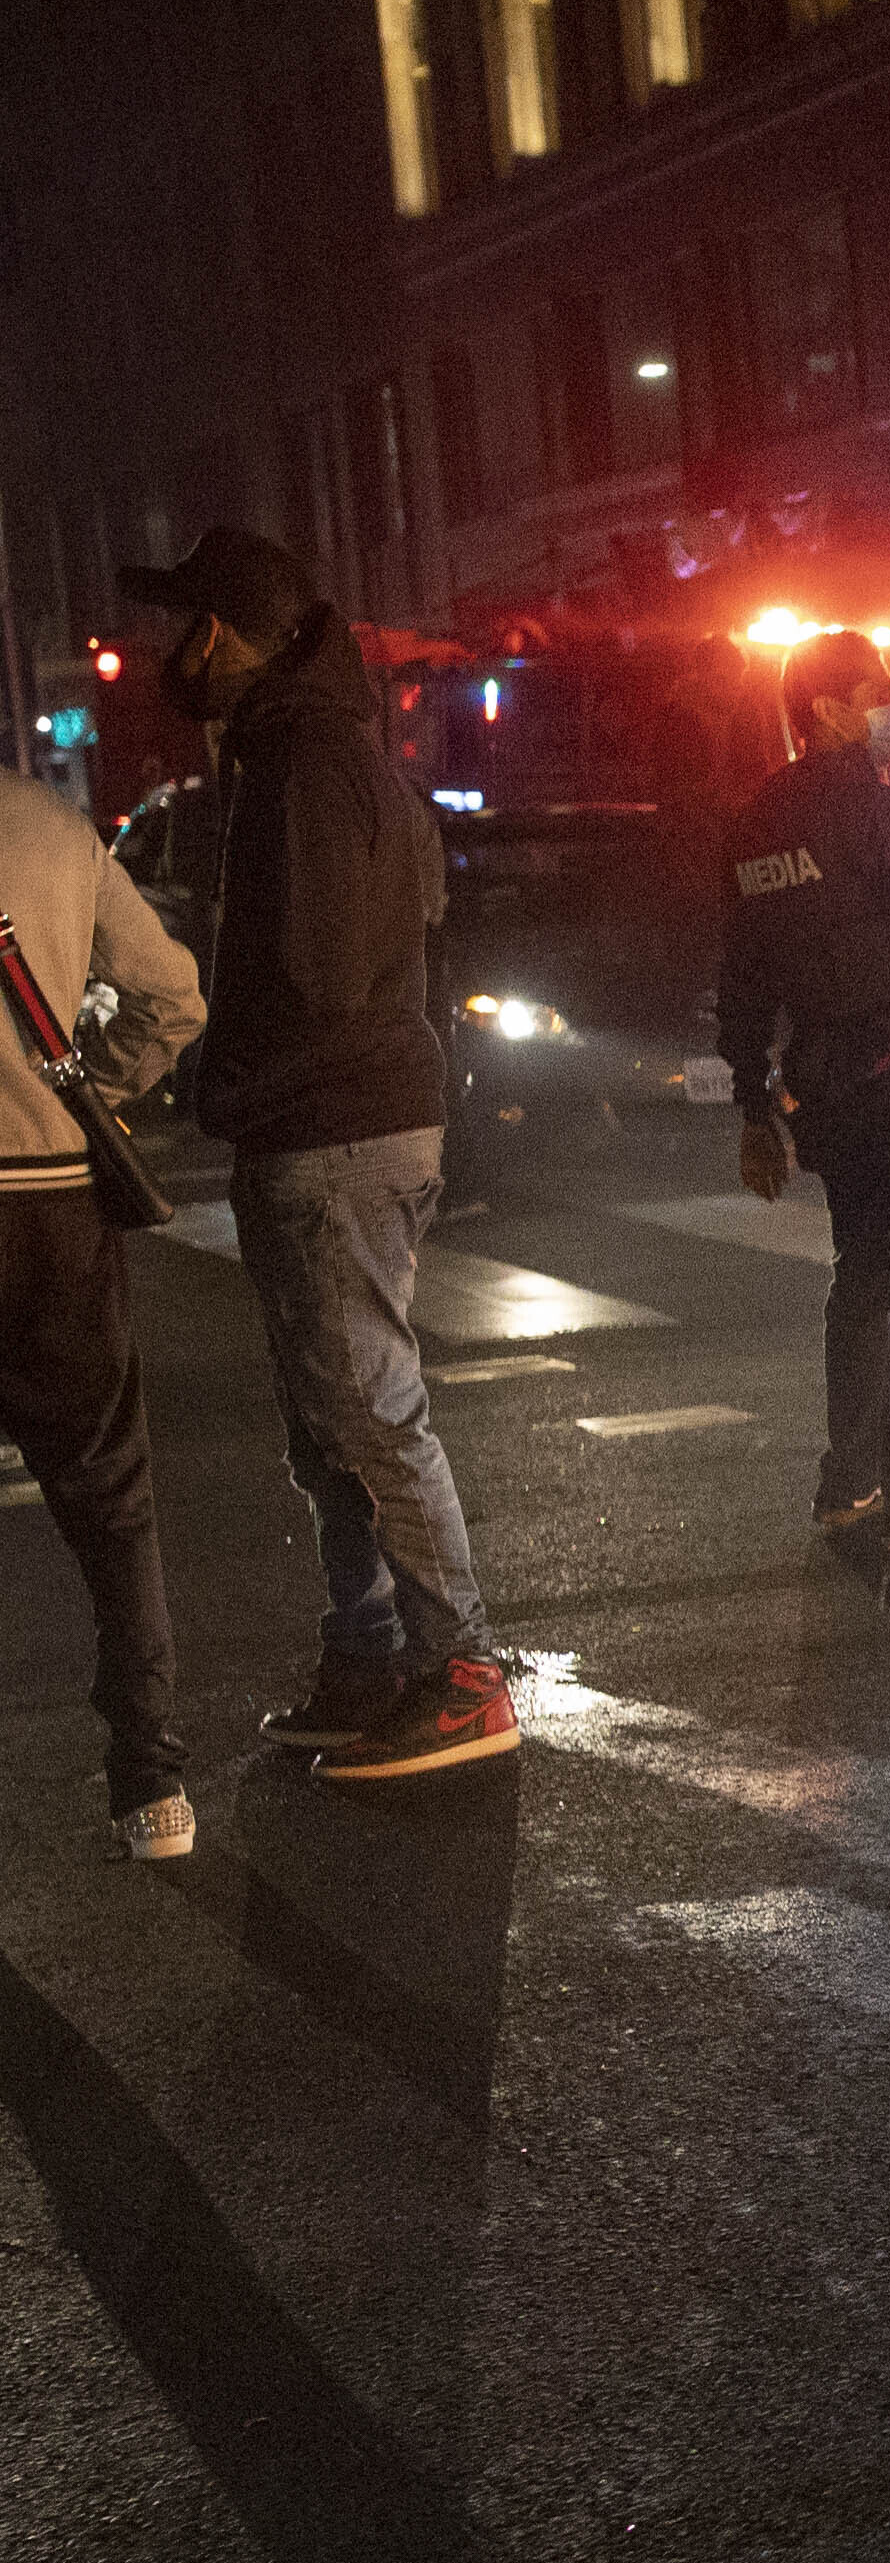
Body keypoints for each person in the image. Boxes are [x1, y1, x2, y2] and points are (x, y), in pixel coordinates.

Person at [131, 526, 517, 1777]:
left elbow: (312, 965)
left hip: (333, 1126)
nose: (166, 654)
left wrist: (225, 1069)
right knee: (328, 1418)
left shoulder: (301, 765)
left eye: (182, 628)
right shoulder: (329, 753)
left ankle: (459, 1670)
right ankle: (368, 1653)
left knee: (364, 1404)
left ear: (227, 635)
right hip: (346, 1117)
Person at [718, 630, 890, 1553]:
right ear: (830, 710)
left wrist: (755, 1101)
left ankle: (848, 1485)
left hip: (831, 1089)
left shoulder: (759, 821)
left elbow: (744, 978)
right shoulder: (867, 808)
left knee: (863, 1277)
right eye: (879, 688)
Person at [0, 766, 206, 1856]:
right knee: (111, 1499)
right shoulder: (53, 826)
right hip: (50, 1204)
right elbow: (173, 997)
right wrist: (94, 1092)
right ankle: (151, 1784)